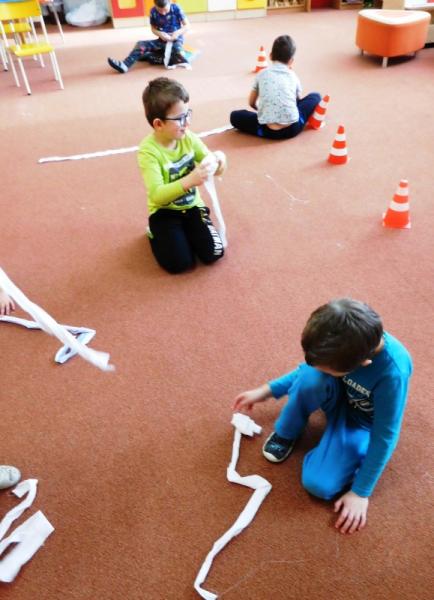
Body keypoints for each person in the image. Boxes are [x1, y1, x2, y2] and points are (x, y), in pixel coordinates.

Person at [233, 298, 412, 534]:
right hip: (337, 397)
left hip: (360, 424)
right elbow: (307, 371)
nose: (319, 369)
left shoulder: (393, 373)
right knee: (311, 378)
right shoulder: (345, 342)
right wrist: (267, 391)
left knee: (319, 485)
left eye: (328, 369)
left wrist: (361, 492)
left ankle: (339, 451)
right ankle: (287, 433)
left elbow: (385, 434)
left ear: (363, 363)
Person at [138, 77, 226, 274]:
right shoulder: (148, 152)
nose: (187, 123)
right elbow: (157, 195)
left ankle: (185, 233)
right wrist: (189, 181)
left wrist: (220, 161)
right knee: (179, 264)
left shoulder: (188, 138)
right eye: (180, 118)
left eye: (188, 115)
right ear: (158, 124)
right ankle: (154, 232)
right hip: (165, 212)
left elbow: (215, 167)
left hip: (192, 207)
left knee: (214, 253)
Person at [230, 35, 321, 140]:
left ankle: (263, 125)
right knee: (315, 96)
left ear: (270, 55)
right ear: (291, 61)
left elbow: (251, 103)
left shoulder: (261, 74)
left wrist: (261, 109)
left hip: (266, 130)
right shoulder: (293, 76)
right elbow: (298, 101)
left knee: (235, 116)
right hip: (292, 129)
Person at [107, 0, 191, 74]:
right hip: (161, 41)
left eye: (165, 10)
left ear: (170, 2)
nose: (163, 13)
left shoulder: (176, 8)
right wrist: (160, 34)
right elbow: (153, 29)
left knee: (176, 51)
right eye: (160, 10)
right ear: (155, 5)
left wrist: (177, 33)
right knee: (140, 44)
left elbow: (187, 25)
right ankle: (125, 65)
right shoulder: (153, 11)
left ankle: (149, 56)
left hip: (176, 41)